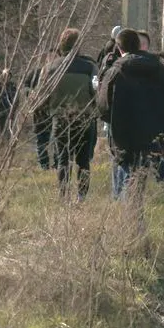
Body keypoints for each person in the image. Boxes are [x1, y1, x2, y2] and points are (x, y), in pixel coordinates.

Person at [97, 28, 164, 254]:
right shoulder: (161, 69)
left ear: (120, 48)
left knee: (132, 188)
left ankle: (137, 240)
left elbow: (102, 107)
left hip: (130, 140)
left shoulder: (116, 70)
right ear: (141, 46)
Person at [41, 28, 98, 201]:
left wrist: (49, 111)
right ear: (78, 46)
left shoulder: (50, 68)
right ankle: (81, 197)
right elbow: (96, 92)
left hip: (60, 119)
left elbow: (43, 95)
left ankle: (63, 196)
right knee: (83, 161)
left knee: (63, 159)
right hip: (84, 119)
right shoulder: (90, 67)